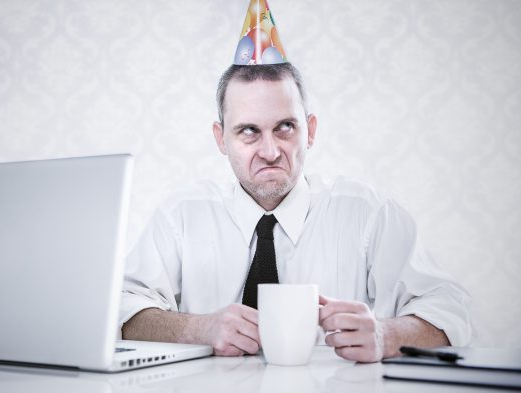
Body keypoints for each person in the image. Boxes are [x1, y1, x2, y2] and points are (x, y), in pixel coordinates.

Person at [119, 62, 472, 362]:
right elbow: (121, 310)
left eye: (285, 127)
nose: (270, 152)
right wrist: (199, 329)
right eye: (249, 131)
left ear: (310, 131)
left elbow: (450, 309)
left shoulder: (369, 214)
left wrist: (386, 335)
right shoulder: (181, 216)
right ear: (221, 138)